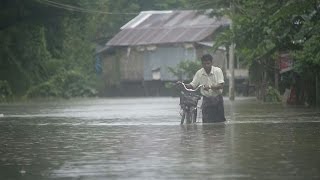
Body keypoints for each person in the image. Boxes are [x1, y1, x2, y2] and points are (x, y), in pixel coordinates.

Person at [178, 54, 226, 123]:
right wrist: (183, 85)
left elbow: (221, 85)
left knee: (220, 122)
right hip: (206, 100)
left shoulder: (217, 71)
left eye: (208, 63)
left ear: (211, 63)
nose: (206, 66)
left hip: (217, 99)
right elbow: (192, 85)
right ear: (202, 64)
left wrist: (209, 86)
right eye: (204, 64)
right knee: (206, 122)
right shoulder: (199, 73)